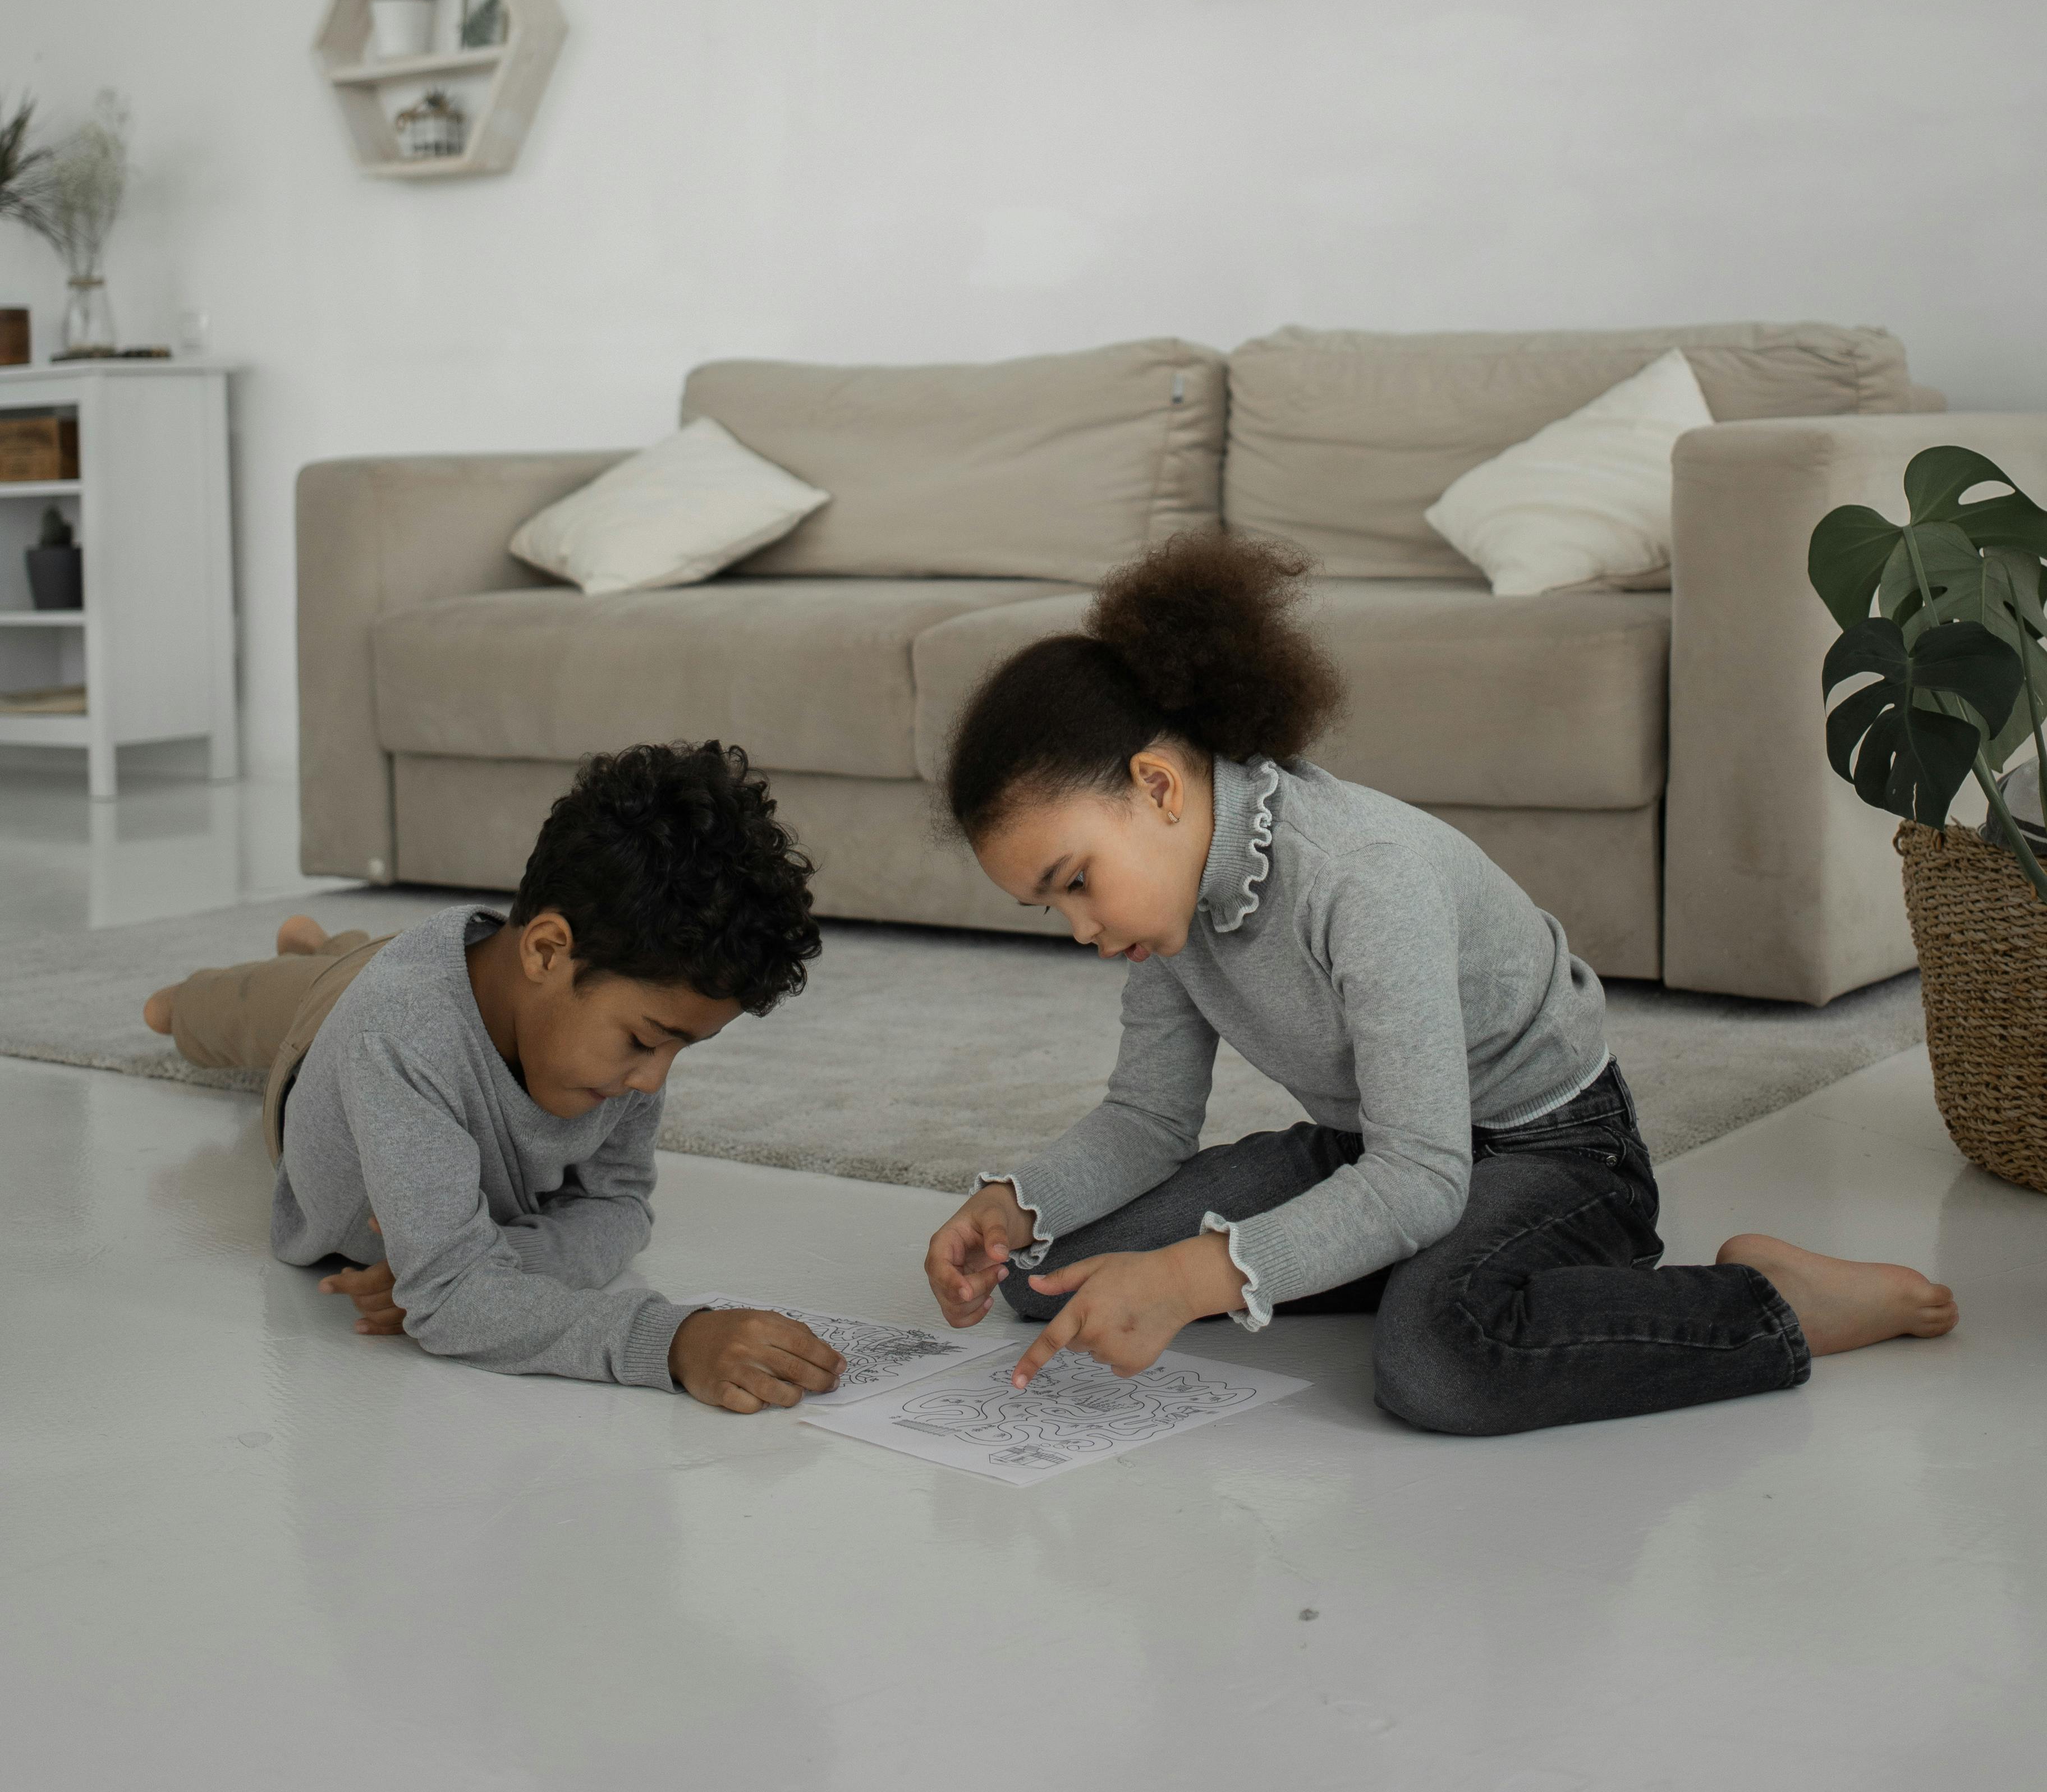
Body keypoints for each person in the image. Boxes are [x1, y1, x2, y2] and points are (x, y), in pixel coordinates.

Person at [922, 536, 1957, 1436]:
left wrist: (1196, 1276)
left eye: (1075, 884)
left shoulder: (1360, 874)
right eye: (1050, 909)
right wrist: (1014, 1204)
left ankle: (1764, 1302)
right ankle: (1411, 1263)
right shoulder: (1172, 914)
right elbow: (1147, 1116)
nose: (1083, 931)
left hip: (1552, 1151)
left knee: (1434, 1360)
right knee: (1046, 1274)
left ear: (1156, 785)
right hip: (1383, 1142)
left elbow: (1421, 1176)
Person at [144, 740, 846, 1415]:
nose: (653, 1080)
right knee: (237, 1008)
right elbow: (453, 1303)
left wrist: (496, 1260)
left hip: (431, 986)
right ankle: (232, 984)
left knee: (356, 968)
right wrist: (668, 1340)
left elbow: (621, 1210)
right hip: (326, 1026)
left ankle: (328, 943)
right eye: (645, 1040)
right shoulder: (397, 1032)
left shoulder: (616, 1048)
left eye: (680, 1050)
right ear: (547, 951)